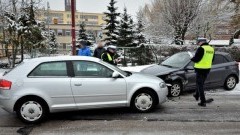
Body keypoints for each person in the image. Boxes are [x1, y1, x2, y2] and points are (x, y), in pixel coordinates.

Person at [191, 39, 215, 107]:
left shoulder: (201, 48)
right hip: (207, 69)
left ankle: (203, 101)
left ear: (202, 42)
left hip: (200, 69)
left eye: (199, 42)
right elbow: (212, 59)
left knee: (200, 84)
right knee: (200, 83)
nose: (198, 44)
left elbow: (197, 59)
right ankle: (197, 95)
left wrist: (192, 58)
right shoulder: (211, 49)